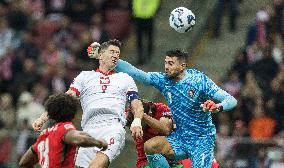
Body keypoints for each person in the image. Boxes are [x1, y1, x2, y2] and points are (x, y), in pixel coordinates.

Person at [112, 48, 237, 167]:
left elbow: (231, 100)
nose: (166, 67)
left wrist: (218, 107)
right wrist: (111, 59)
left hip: (201, 140)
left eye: (171, 63)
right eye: (166, 63)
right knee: (150, 146)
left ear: (182, 66)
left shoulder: (199, 81)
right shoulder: (164, 80)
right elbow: (137, 73)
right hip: (180, 138)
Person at [32, 39, 144, 168]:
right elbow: (64, 100)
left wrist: (137, 121)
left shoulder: (125, 78)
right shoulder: (84, 77)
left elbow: (136, 104)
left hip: (113, 127)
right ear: (100, 55)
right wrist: (43, 117)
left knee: (95, 166)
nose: (115, 55)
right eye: (112, 51)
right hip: (88, 131)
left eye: (117, 53)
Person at [19, 93, 108, 168]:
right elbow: (79, 139)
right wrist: (99, 143)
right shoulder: (64, 128)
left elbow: (24, 163)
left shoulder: (45, 135)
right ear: (74, 113)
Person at [127, 100, 219, 168]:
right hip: (146, 162)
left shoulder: (161, 109)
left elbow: (166, 130)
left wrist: (142, 117)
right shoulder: (128, 115)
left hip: (171, 160)